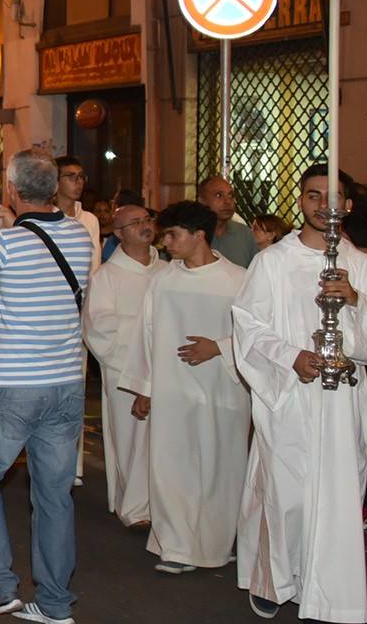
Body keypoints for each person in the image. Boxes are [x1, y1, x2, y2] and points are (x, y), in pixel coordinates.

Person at [230, 164, 367, 622]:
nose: (324, 205)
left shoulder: (363, 267)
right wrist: (290, 357)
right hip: (290, 395)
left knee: (338, 495)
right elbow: (248, 325)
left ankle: (329, 591)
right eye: (312, 195)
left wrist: (357, 300)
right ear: (300, 201)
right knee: (286, 492)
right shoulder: (273, 262)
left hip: (342, 399)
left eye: (334, 196)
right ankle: (275, 579)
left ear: (347, 205)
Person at [0, 151, 95, 624]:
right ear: (54, 188)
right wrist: (9, 226)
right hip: (67, 382)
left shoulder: (3, 244)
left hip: (15, 384)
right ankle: (53, 602)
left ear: (11, 190)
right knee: (54, 494)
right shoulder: (79, 235)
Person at [127, 199, 249, 574]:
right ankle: (177, 547)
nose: (165, 242)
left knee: (220, 468)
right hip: (172, 389)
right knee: (171, 465)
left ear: (199, 236)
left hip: (223, 392)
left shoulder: (239, 281)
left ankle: (213, 545)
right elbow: (146, 333)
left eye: (173, 235)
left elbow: (260, 336)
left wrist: (220, 348)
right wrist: (144, 386)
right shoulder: (163, 279)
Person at [80, 202, 159, 527]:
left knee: (162, 441)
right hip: (125, 368)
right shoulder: (107, 276)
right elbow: (97, 326)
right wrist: (143, 331)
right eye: (135, 222)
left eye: (147, 219)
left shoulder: (167, 270)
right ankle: (134, 507)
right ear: (119, 233)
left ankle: (164, 504)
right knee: (130, 438)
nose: (145, 225)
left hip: (166, 369)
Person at [55, 156, 102, 272]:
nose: (79, 182)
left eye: (81, 176)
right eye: (71, 177)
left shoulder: (89, 219)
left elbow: (95, 263)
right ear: (56, 181)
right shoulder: (45, 217)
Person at [199, 176, 258, 268]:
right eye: (219, 195)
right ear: (202, 200)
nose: (228, 201)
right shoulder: (191, 235)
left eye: (231, 195)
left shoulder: (244, 234)